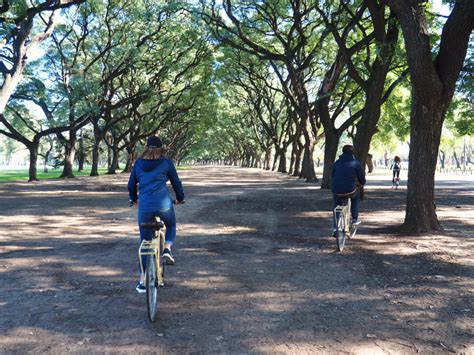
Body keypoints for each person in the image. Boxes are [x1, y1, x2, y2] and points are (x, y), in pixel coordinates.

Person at [128, 136, 185, 293]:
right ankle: (167, 248)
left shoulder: (138, 163)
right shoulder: (166, 162)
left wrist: (134, 199)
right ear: (162, 148)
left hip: (145, 207)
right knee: (171, 226)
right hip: (164, 205)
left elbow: (131, 184)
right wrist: (180, 198)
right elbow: (176, 182)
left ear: (146, 147)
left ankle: (142, 281)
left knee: (145, 242)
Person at [331, 145, 366, 236]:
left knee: (336, 205)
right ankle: (354, 218)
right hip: (350, 190)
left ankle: (335, 228)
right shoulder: (356, 163)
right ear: (353, 153)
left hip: (336, 189)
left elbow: (332, 175)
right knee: (355, 196)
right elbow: (362, 178)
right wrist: (362, 183)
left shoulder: (337, 163)